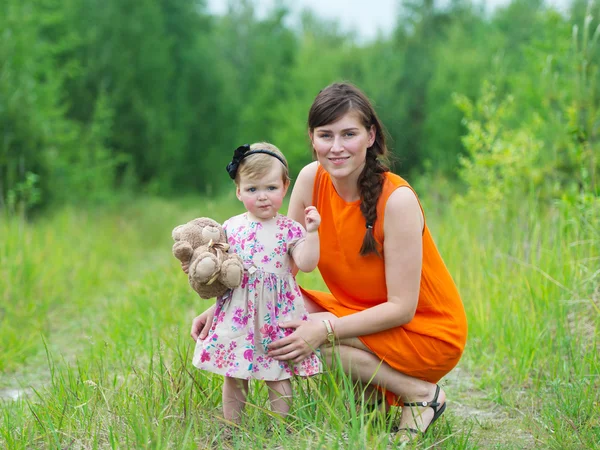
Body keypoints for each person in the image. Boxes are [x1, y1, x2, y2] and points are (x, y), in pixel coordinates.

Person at [191, 83, 468, 438]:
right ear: (312, 138)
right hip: (361, 312)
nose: (336, 148)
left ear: (370, 136)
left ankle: (420, 395)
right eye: (326, 135)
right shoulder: (310, 179)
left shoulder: (397, 200)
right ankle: (372, 396)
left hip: (426, 331)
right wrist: (223, 309)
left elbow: (402, 308)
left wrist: (323, 328)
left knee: (310, 337)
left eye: (349, 134)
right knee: (282, 314)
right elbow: (279, 269)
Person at [187, 142, 322, 424]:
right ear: (238, 191)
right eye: (252, 189)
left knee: (279, 373)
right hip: (238, 313)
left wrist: (313, 233)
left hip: (276, 313)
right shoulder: (230, 227)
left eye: (271, 188)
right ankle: (232, 426)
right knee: (235, 375)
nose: (262, 197)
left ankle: (281, 427)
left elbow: (307, 264)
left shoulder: (290, 229)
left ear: (285, 187)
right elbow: (221, 271)